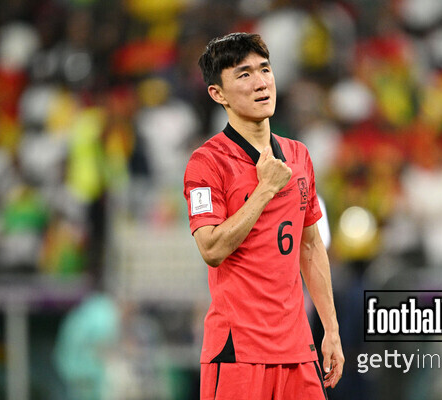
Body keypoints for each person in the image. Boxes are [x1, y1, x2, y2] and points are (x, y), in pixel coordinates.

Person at [183, 32, 344, 400]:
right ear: (217, 94)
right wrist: (264, 190)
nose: (260, 83)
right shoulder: (206, 164)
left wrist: (330, 329)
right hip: (238, 351)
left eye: (265, 70)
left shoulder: (299, 155)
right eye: (243, 74)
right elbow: (210, 248)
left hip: (298, 350)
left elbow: (310, 245)